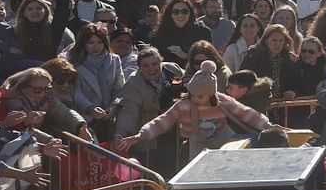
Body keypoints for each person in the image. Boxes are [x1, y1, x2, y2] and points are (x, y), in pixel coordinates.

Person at [118, 62, 277, 160]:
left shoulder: (222, 99)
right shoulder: (183, 105)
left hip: (225, 143)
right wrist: (141, 135)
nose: (195, 99)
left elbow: (246, 112)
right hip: (198, 146)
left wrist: (267, 125)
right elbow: (162, 121)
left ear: (211, 94)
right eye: (192, 95)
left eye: (200, 96)